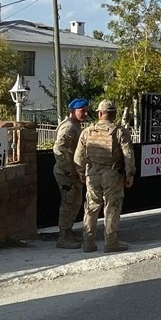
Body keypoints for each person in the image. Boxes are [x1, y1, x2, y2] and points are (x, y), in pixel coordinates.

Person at [73, 99, 135, 253]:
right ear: (113, 115)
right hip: (112, 175)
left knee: (91, 208)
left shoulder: (87, 131)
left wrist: (81, 173)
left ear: (100, 113)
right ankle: (111, 242)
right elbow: (128, 156)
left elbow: (78, 157)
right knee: (111, 208)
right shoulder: (120, 131)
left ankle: (88, 243)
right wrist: (130, 174)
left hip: (92, 174)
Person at [52, 97, 90, 248]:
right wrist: (69, 170)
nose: (85, 114)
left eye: (86, 111)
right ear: (73, 111)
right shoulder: (69, 127)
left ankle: (68, 232)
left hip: (72, 172)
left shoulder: (74, 125)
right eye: (82, 111)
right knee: (69, 202)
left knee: (74, 202)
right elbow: (59, 149)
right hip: (66, 173)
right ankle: (63, 237)